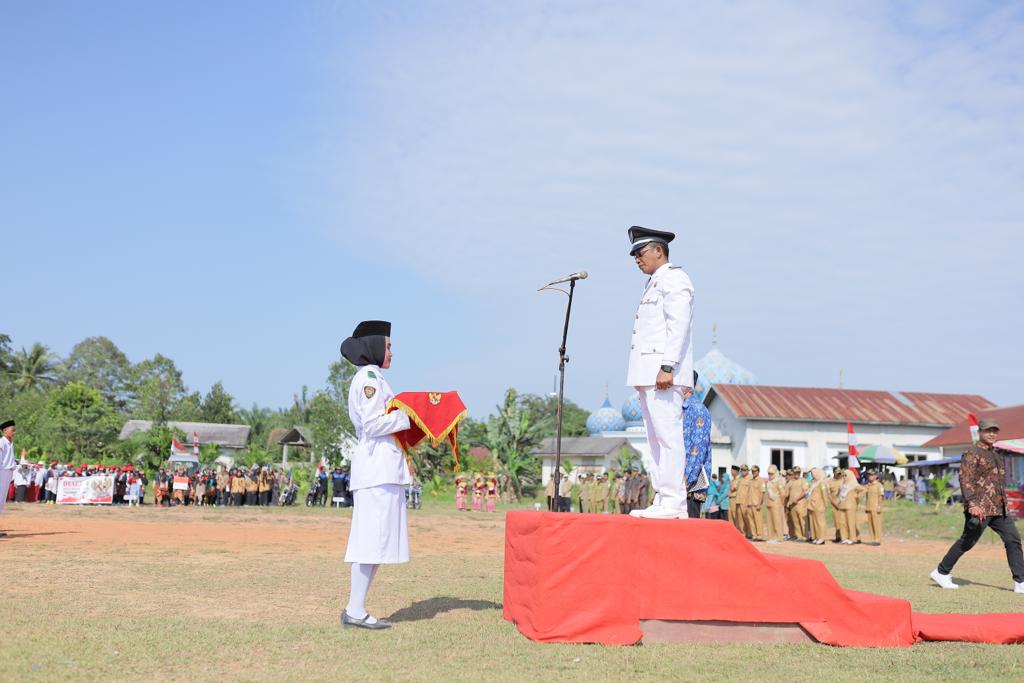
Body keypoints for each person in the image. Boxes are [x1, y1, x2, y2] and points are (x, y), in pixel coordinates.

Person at [340, 320, 413, 629]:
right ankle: (354, 610)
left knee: (375, 544)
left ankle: (355, 609)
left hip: (381, 470)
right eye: (389, 345)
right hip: (376, 470)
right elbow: (372, 424)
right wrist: (407, 417)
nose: (392, 352)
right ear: (374, 347)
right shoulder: (369, 378)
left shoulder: (374, 378)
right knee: (371, 543)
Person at [625, 226, 695, 519]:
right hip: (648, 375)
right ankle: (663, 497)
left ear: (658, 251)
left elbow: (678, 325)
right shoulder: (653, 283)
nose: (637, 260)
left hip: (663, 374)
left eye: (641, 253)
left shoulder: (674, 279)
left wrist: (668, 366)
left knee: (668, 437)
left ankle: (674, 501)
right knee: (654, 439)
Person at [931, 419, 1024, 593]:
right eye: (988, 431)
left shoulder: (996, 455)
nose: (992, 434)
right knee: (967, 541)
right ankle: (941, 572)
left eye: (995, 431)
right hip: (980, 508)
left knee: (1013, 539)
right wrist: (972, 503)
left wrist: (1005, 502)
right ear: (980, 432)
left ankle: (1020, 581)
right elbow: (965, 479)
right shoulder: (972, 452)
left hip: (999, 508)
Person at [683, 371, 713, 519]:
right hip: (676, 481)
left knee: (688, 532)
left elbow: (698, 449)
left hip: (690, 485)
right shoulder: (679, 410)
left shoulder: (698, 410)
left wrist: (686, 478)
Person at [0, 419, 16, 537]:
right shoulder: (2, 442)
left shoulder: (10, 443)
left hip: (8, 472)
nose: (14, 432)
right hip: (2, 471)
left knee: (1, 501)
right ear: (5, 431)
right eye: (12, 430)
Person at [837, 469, 862, 545]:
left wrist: (857, 496)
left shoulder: (854, 484)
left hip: (851, 506)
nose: (844, 477)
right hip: (842, 506)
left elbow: (863, 490)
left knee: (851, 523)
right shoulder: (842, 484)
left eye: (845, 475)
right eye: (843, 475)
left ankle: (852, 538)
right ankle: (844, 538)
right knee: (842, 523)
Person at [806, 468, 830, 545]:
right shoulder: (813, 482)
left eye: (813, 473)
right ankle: (816, 537)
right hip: (812, 505)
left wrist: (825, 504)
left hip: (819, 505)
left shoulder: (822, 483)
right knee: (814, 522)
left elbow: (824, 495)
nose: (812, 475)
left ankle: (821, 538)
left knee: (820, 522)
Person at [764, 465, 786, 543]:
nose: (770, 475)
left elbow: (783, 494)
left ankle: (778, 538)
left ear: (776, 473)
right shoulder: (769, 482)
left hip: (776, 504)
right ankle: (771, 537)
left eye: (772, 473)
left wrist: (781, 502)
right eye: (769, 473)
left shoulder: (778, 481)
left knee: (777, 521)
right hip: (769, 503)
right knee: (769, 521)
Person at [864, 470, 884, 545]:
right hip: (869, 507)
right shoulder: (868, 485)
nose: (870, 476)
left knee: (877, 524)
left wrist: (879, 506)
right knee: (870, 524)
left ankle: (878, 540)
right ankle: (873, 539)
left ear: (876, 476)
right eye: (869, 475)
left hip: (876, 507)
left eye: (872, 475)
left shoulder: (879, 485)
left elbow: (881, 496)